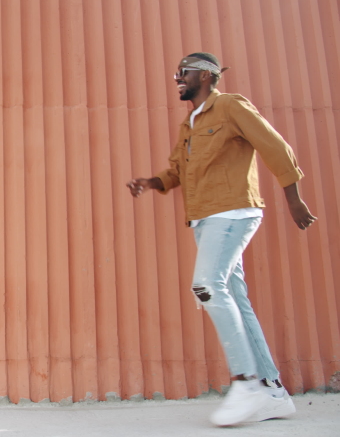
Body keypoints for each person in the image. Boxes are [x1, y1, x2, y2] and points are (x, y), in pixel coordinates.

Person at [127, 53, 316, 426]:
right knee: (235, 297)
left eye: (185, 71)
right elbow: (179, 170)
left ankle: (246, 384)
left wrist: (293, 198)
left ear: (207, 75)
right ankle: (273, 391)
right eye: (176, 73)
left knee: (207, 285)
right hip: (205, 218)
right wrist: (153, 183)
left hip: (232, 212)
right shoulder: (191, 124)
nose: (178, 77)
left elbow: (273, 145)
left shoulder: (230, 105)